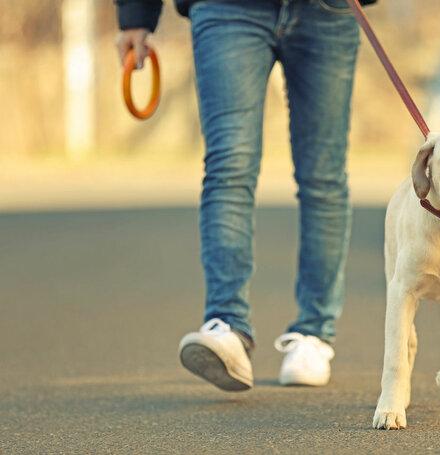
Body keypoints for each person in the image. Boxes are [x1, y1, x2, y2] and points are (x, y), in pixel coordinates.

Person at [115, 0, 376, 391]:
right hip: (227, 8)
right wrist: (137, 15)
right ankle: (227, 326)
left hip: (327, 9)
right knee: (228, 166)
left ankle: (314, 335)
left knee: (323, 175)